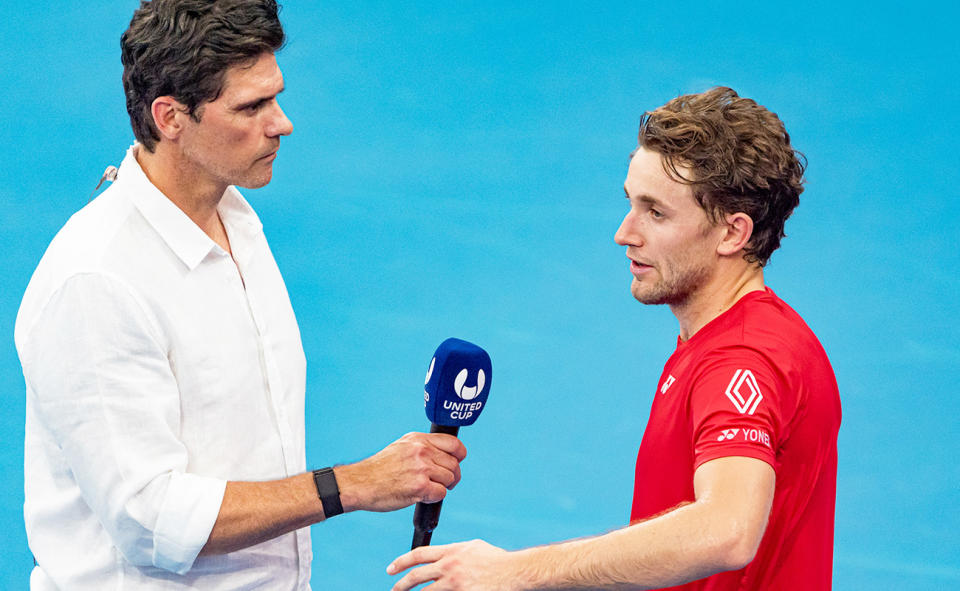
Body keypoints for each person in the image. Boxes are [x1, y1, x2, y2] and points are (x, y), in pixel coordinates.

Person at [14, 1, 466, 589]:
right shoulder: (96, 284)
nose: (282, 123)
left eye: (274, 97)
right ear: (171, 117)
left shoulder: (236, 217)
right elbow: (151, 519)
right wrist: (352, 484)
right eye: (251, 107)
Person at [387, 87, 842, 590]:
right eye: (631, 203)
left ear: (732, 234)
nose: (624, 232)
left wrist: (514, 572)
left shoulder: (742, 359)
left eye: (656, 212)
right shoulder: (739, 337)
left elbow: (727, 530)